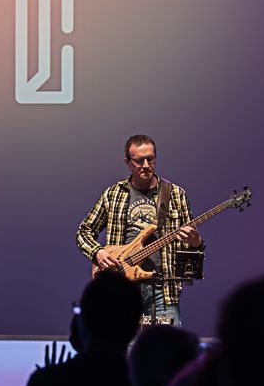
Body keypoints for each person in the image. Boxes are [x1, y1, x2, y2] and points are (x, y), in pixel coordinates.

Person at [76, 135, 202, 325]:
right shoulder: (114, 194)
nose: (146, 165)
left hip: (162, 290)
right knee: (120, 342)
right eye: (139, 160)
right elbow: (83, 232)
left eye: (150, 159)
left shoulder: (175, 194)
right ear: (128, 162)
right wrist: (98, 253)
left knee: (166, 343)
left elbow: (190, 253)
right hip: (120, 290)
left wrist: (195, 244)